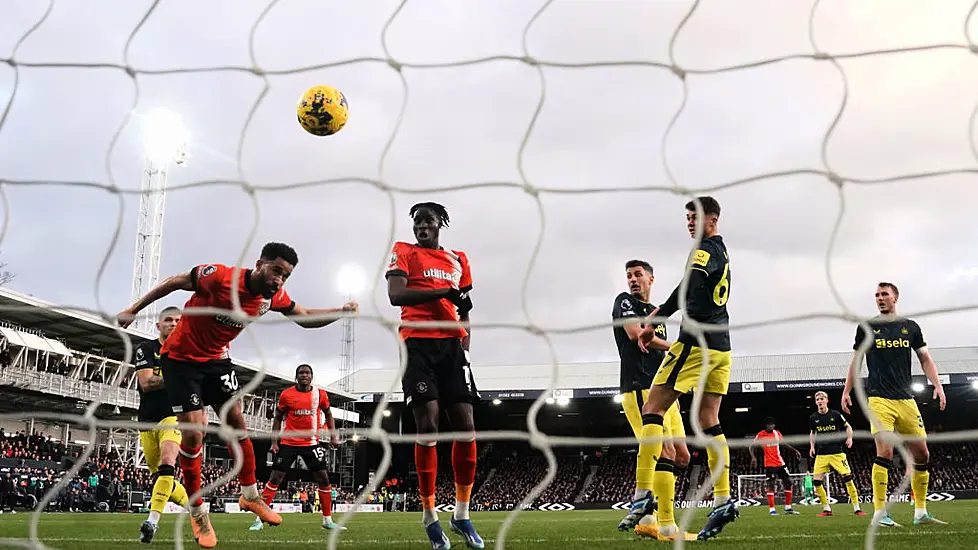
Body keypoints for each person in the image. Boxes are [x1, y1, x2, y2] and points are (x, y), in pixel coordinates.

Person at [118, 242, 358, 548]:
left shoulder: (272, 298)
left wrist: (342, 311)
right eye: (276, 271)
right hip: (180, 361)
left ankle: (250, 496)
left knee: (237, 423)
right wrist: (133, 309)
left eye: (285, 276)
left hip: (217, 360)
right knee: (193, 438)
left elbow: (305, 315)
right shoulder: (218, 277)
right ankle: (198, 512)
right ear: (259, 264)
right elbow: (175, 282)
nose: (279, 281)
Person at [633, 196, 735, 541]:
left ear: (714, 219)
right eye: (688, 218)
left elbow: (687, 287)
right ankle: (722, 498)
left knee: (653, 408)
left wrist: (654, 319)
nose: (690, 223)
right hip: (722, 347)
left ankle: (642, 493)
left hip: (696, 343)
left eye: (696, 217)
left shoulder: (704, 251)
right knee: (709, 420)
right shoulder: (722, 252)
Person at [386, 202, 482, 550]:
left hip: (452, 348)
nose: (421, 227)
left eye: (428, 222)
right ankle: (429, 516)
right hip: (417, 344)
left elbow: (466, 310)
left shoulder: (459, 259)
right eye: (417, 222)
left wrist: (466, 349)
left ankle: (461, 514)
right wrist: (442, 292)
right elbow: (396, 295)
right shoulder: (403, 252)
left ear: (440, 223)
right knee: (428, 423)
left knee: (467, 426)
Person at [841, 282, 946, 527]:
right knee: (885, 451)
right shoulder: (866, 328)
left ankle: (920, 512)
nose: (879, 298)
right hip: (878, 399)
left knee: (922, 454)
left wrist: (937, 385)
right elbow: (855, 362)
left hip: (906, 400)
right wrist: (847, 391)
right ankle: (880, 514)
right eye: (876, 295)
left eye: (884, 294)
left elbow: (925, 359)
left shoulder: (910, 327)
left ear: (895, 298)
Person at [611, 259, 689, 532]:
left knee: (682, 456)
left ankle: (647, 515)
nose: (632, 279)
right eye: (629, 275)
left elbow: (653, 347)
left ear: (651, 279)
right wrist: (676, 347)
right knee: (665, 450)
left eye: (638, 275)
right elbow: (635, 334)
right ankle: (665, 525)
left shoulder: (657, 314)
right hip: (639, 388)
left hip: (665, 390)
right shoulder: (624, 303)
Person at [249, 364, 343, 531]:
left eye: (307, 373)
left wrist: (333, 436)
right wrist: (274, 442)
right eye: (301, 373)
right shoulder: (286, 395)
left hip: (311, 443)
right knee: (275, 478)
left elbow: (328, 414)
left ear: (312, 377)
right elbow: (277, 418)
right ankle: (259, 519)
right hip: (289, 443)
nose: (304, 375)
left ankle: (327, 520)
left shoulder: (320, 394)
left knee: (324, 478)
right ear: (296, 377)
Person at [135, 307, 191, 544]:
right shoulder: (146, 349)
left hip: (174, 416)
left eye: (179, 320)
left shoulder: (190, 354)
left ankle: (152, 522)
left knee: (168, 464)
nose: (174, 324)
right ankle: (197, 509)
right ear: (158, 326)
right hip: (148, 419)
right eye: (168, 320)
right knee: (160, 476)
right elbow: (146, 383)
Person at [808, 390, 864, 516]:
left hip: (837, 453)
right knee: (816, 482)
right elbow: (813, 433)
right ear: (816, 402)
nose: (820, 401)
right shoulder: (813, 418)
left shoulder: (835, 414)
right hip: (821, 454)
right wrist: (812, 447)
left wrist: (849, 438)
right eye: (817, 400)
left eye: (822, 399)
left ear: (827, 400)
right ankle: (827, 509)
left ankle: (857, 508)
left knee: (847, 478)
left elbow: (848, 427)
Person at [751, 417, 802, 515]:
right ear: (765, 426)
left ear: (774, 425)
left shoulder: (777, 433)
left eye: (771, 424)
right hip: (770, 464)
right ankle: (772, 510)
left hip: (780, 463)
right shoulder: (761, 435)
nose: (770, 426)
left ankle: (788, 508)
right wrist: (753, 457)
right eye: (768, 425)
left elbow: (784, 444)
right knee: (771, 486)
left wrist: (795, 450)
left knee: (788, 482)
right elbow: (751, 446)